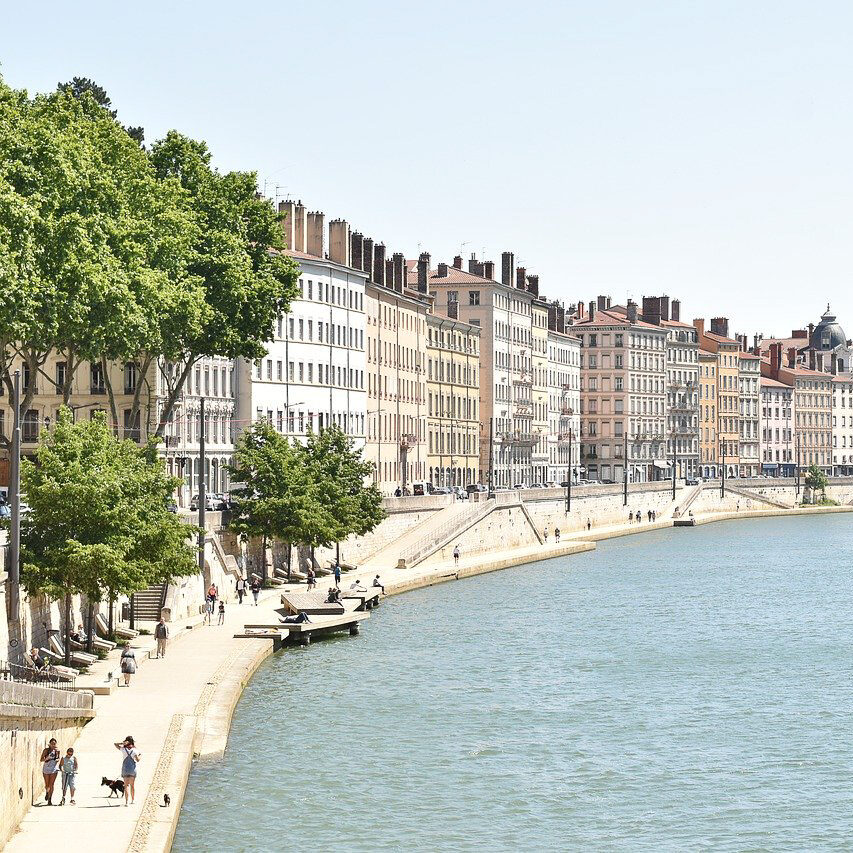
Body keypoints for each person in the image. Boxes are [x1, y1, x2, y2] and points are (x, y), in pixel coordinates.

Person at [115, 736, 141, 805]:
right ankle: (132, 800)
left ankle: (126, 802)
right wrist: (140, 755)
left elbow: (115, 744)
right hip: (132, 769)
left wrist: (122, 743)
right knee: (132, 785)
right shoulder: (135, 750)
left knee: (126, 785)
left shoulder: (123, 749)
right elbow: (138, 760)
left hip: (125, 769)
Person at [40, 738, 60, 805]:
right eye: (52, 744)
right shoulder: (46, 750)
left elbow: (58, 758)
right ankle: (47, 792)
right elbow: (41, 759)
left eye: (54, 744)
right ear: (50, 744)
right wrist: (46, 759)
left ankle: (50, 799)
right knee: (47, 784)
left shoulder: (57, 751)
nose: (53, 745)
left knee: (51, 784)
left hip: (53, 769)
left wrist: (57, 760)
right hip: (46, 768)